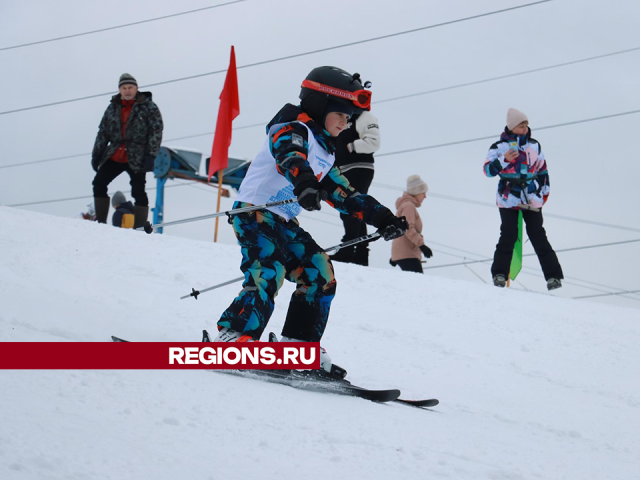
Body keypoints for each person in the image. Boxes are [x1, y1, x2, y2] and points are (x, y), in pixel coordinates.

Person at [214, 66, 408, 373]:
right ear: (321, 107)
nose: (346, 124)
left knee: (320, 271)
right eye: (342, 115)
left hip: (283, 222)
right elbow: (290, 156)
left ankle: (297, 346)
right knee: (269, 269)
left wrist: (382, 217)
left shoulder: (326, 152)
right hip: (253, 213)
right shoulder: (292, 129)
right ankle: (234, 336)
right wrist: (304, 182)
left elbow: (343, 193)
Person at [483, 108, 564, 290]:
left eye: (526, 125)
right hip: (508, 197)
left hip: (531, 196)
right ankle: (500, 274)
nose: (525, 129)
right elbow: (487, 171)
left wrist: (544, 192)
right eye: (521, 125)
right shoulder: (499, 147)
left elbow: (542, 169)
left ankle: (554, 277)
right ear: (512, 127)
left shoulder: (534, 145)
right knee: (508, 235)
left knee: (538, 235)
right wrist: (503, 160)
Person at [91, 73, 163, 228]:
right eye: (124, 88)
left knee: (139, 192)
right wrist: (97, 154)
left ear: (137, 88)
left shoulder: (149, 107)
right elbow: (103, 132)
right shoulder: (112, 108)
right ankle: (100, 223)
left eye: (130, 87)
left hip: (137, 156)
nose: (127, 91)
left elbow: (156, 131)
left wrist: (151, 155)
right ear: (119, 90)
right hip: (115, 154)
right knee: (98, 183)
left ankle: (139, 227)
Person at [330, 109, 381, 266]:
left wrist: (350, 147)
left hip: (359, 167)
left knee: (351, 207)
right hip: (343, 169)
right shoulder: (345, 117)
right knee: (354, 207)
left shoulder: (365, 117)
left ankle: (349, 249)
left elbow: (374, 142)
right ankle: (359, 253)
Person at [390, 175, 433, 273]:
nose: (425, 197)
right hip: (408, 254)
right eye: (423, 193)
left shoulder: (405, 206)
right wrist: (422, 245)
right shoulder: (408, 206)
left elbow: (399, 228)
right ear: (416, 192)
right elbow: (408, 228)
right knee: (419, 286)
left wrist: (395, 255)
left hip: (406, 253)